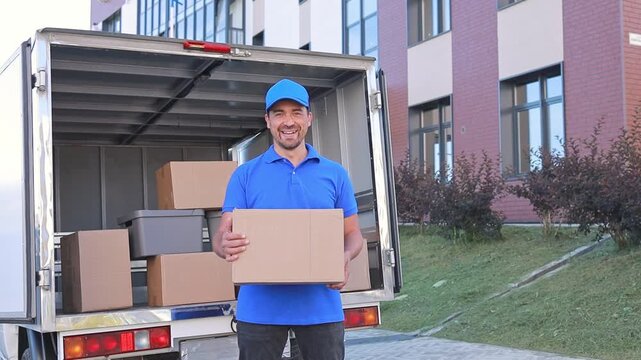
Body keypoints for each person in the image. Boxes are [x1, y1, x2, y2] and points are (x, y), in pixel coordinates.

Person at [212, 78, 364, 360]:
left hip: (321, 307)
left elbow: (353, 234)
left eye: (296, 112)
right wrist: (225, 245)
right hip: (259, 309)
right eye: (279, 113)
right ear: (267, 120)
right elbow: (222, 235)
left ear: (309, 118)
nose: (288, 121)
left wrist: (344, 256)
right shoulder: (245, 175)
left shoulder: (335, 174)